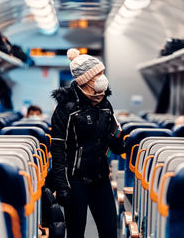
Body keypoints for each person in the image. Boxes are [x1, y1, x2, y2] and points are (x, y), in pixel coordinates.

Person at [50, 48, 124, 238]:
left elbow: (109, 141)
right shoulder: (66, 108)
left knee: (110, 231)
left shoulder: (105, 104)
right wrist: (61, 185)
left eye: (102, 72)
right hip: (75, 180)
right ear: (85, 80)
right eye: (97, 74)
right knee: (76, 233)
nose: (102, 77)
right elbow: (58, 149)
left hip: (100, 177)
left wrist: (119, 141)